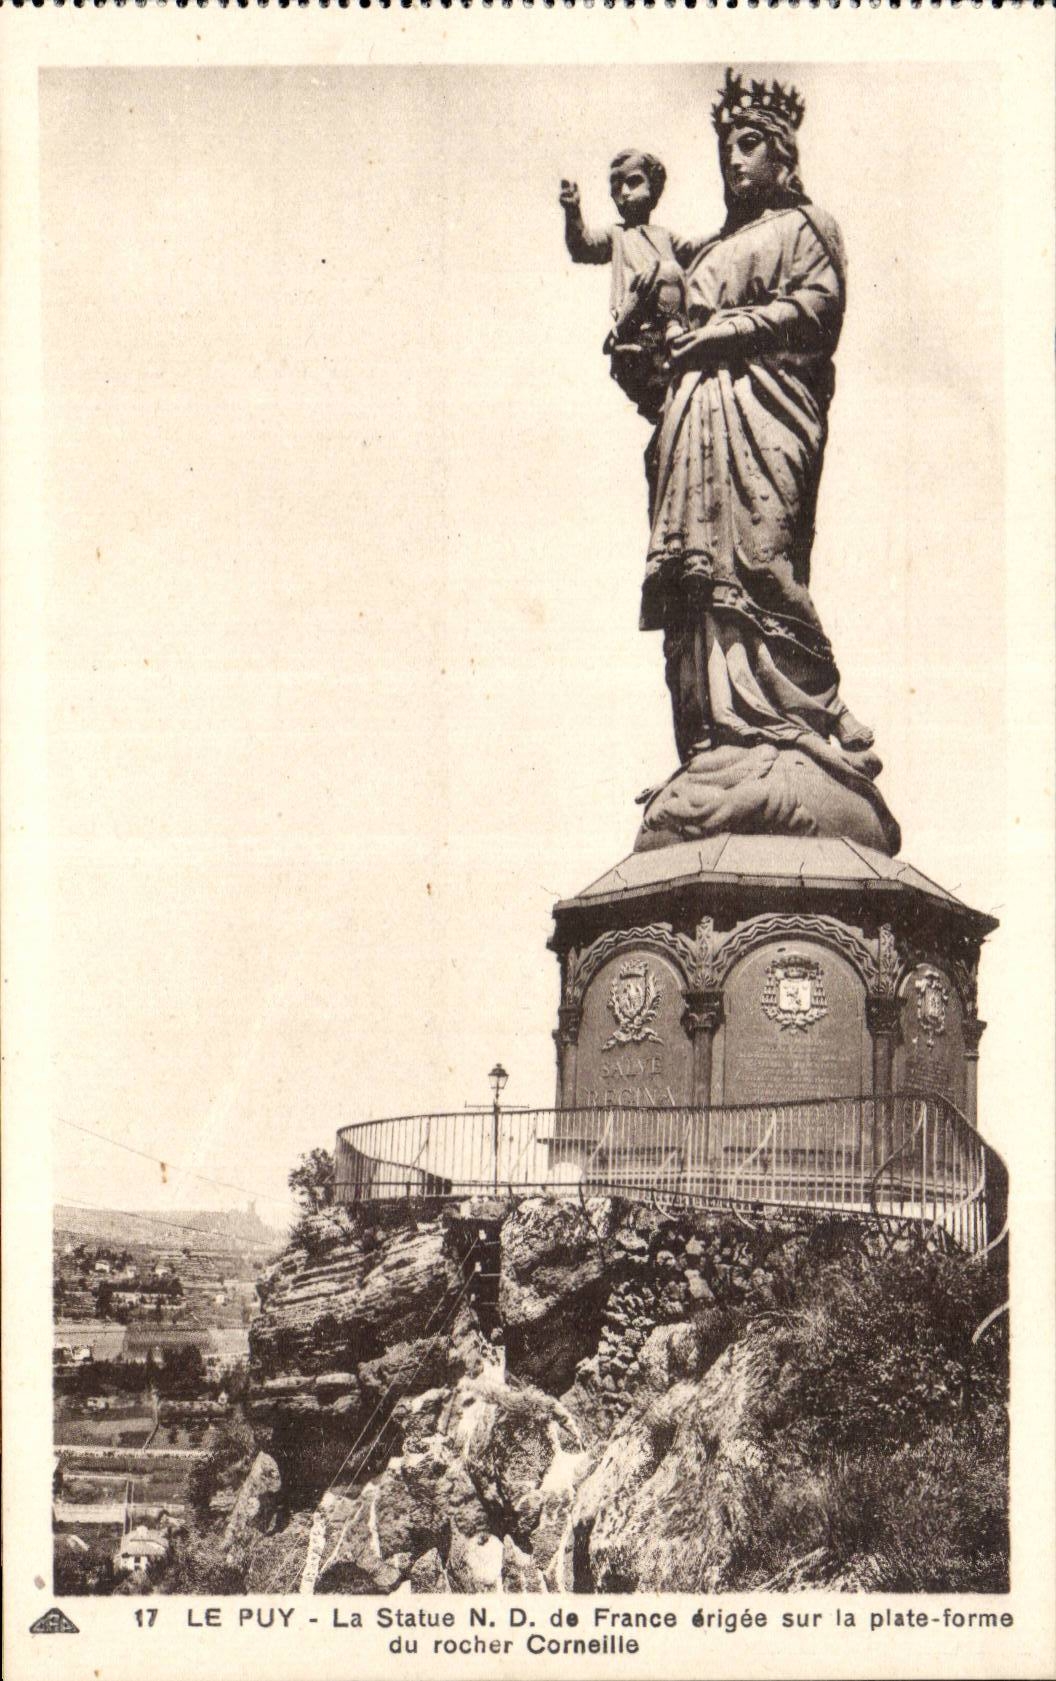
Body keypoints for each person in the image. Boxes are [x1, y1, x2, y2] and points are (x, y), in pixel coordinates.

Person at [639, 71, 877, 781]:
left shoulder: (806, 229)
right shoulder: (703, 252)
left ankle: (816, 711)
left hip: (769, 419)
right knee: (697, 580)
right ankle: (712, 730)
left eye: (749, 145)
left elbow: (813, 316)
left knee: (766, 560)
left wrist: (720, 337)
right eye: (725, 150)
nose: (734, 160)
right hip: (693, 430)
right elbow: (668, 347)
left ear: (783, 155)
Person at [560, 151, 703, 418]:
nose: (623, 193)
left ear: (654, 186)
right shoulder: (617, 235)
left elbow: (694, 249)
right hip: (636, 318)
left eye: (633, 182)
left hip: (664, 327)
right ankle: (624, 332)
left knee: (670, 273)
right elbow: (582, 247)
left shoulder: (665, 236)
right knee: (664, 271)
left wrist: (726, 231)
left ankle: (672, 326)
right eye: (616, 187)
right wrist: (572, 211)